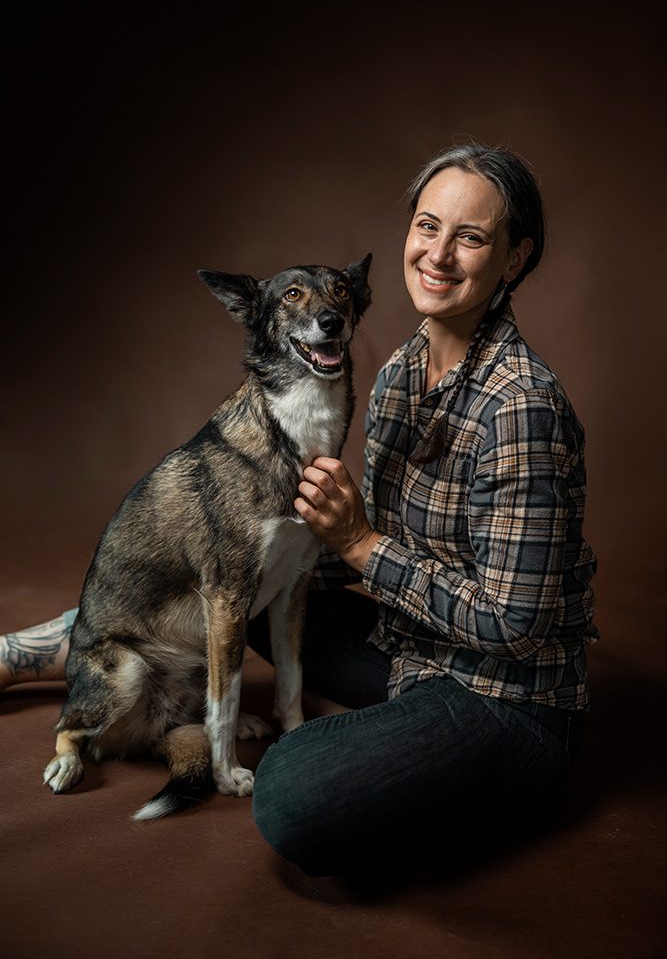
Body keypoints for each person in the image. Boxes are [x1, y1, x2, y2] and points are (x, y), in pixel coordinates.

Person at [0, 143, 598, 878]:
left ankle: (483, 780)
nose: (437, 254)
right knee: (236, 578)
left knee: (290, 792)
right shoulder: (401, 371)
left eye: (469, 237)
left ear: (511, 260)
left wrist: (357, 544)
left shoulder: (521, 408)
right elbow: (297, 564)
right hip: (408, 643)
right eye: (426, 226)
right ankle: (56, 646)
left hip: (501, 696)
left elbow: (515, 624)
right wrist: (295, 545)